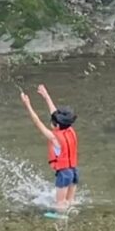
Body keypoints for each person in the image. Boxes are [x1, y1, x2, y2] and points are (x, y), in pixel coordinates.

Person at [20, 84, 79, 217]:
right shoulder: (70, 129)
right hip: (74, 171)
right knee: (70, 201)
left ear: (57, 125)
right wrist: (46, 96)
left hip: (64, 174)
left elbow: (37, 122)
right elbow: (56, 114)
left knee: (60, 203)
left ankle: (60, 218)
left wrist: (28, 105)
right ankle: (71, 213)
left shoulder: (54, 138)